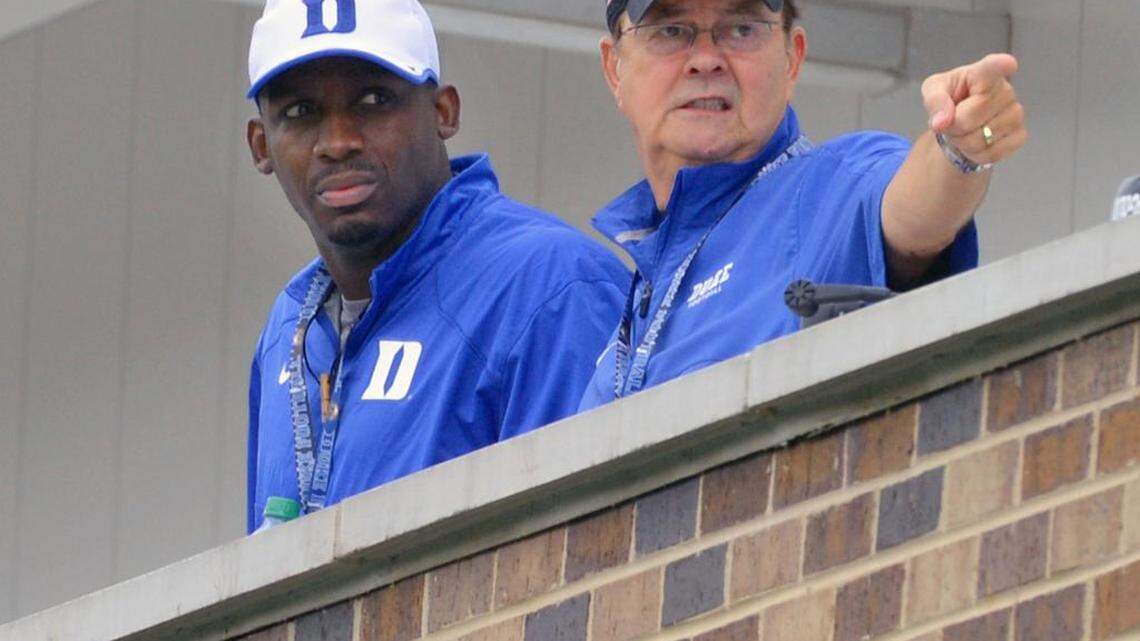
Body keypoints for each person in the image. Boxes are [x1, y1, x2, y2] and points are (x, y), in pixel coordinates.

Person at [243, 0, 630, 532]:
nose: (338, 143)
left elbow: (587, 559)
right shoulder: (288, 327)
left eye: (375, 100)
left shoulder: (548, 283)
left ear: (444, 112)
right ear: (261, 145)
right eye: (301, 113)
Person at [579, 0, 1027, 409]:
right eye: (671, 31)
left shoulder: (829, 188)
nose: (706, 59)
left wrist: (957, 145)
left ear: (792, 57)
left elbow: (914, 215)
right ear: (614, 70)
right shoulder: (625, 323)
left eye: (740, 29)